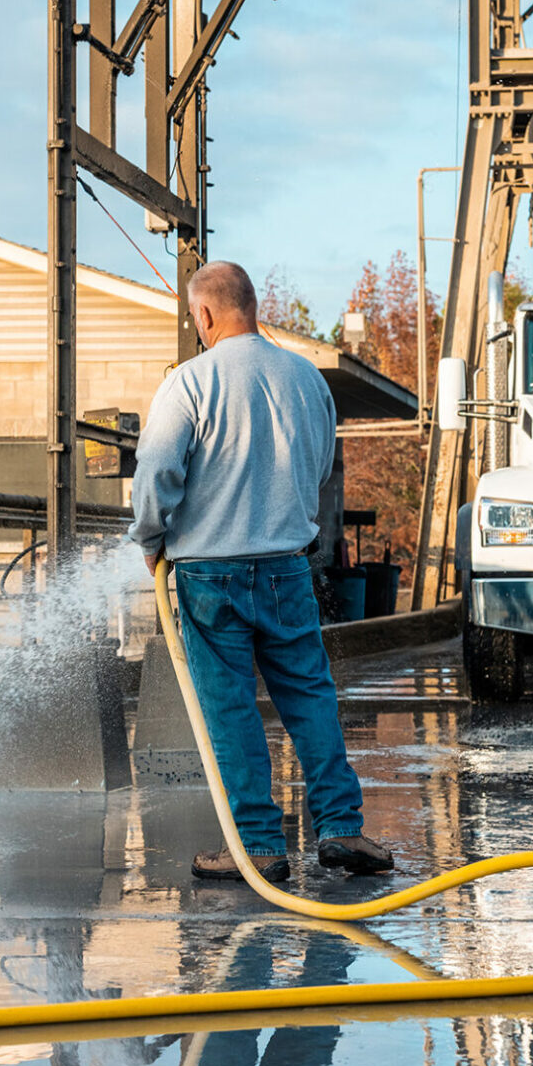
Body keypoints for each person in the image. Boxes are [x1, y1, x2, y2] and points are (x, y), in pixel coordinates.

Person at [129, 260, 395, 883]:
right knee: (308, 696)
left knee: (231, 709)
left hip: (207, 576)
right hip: (286, 568)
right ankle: (341, 829)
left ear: (204, 315)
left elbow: (158, 471)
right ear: (253, 306)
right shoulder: (307, 380)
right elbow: (323, 463)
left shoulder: (189, 383)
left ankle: (258, 847)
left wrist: (149, 537)